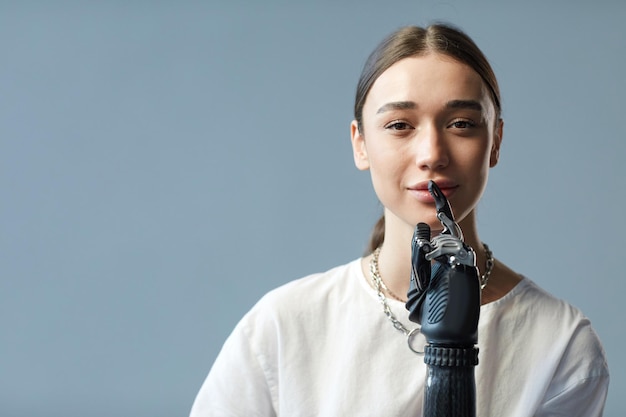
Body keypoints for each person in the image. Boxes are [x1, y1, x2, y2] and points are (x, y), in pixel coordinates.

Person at [189, 23, 609, 416]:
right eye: (399, 125)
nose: (431, 153)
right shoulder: (281, 327)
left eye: (461, 123)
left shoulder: (561, 342)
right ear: (361, 144)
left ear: (495, 142)